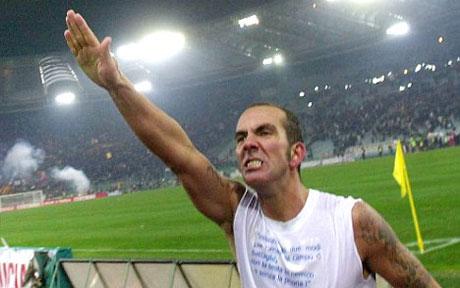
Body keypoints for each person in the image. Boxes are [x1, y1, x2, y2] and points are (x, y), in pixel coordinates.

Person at [64, 10, 440, 287]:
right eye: (241, 137)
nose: (248, 143)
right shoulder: (237, 211)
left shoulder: (352, 222)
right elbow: (179, 155)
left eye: (263, 132)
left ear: (297, 154)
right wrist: (117, 85)